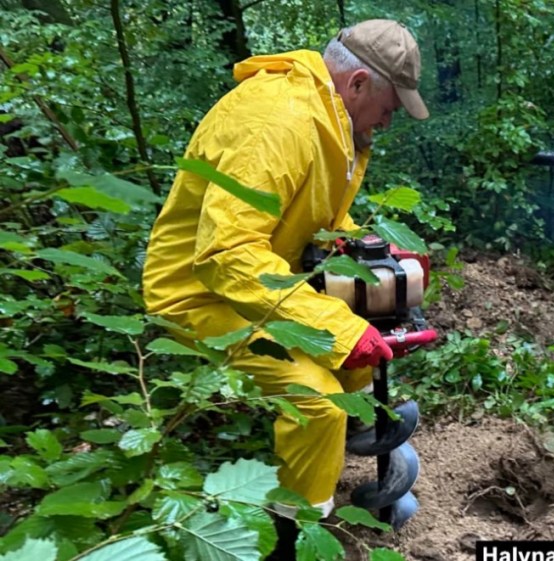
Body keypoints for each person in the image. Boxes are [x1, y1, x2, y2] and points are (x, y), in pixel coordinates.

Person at [141, 19, 429, 555]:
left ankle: (363, 438)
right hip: (201, 292)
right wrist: (336, 326)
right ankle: (294, 535)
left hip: (262, 282)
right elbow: (227, 254)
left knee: (358, 354)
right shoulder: (276, 122)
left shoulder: (327, 120)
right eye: (389, 107)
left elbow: (308, 219)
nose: (388, 122)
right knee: (319, 400)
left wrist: (364, 251)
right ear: (358, 83)